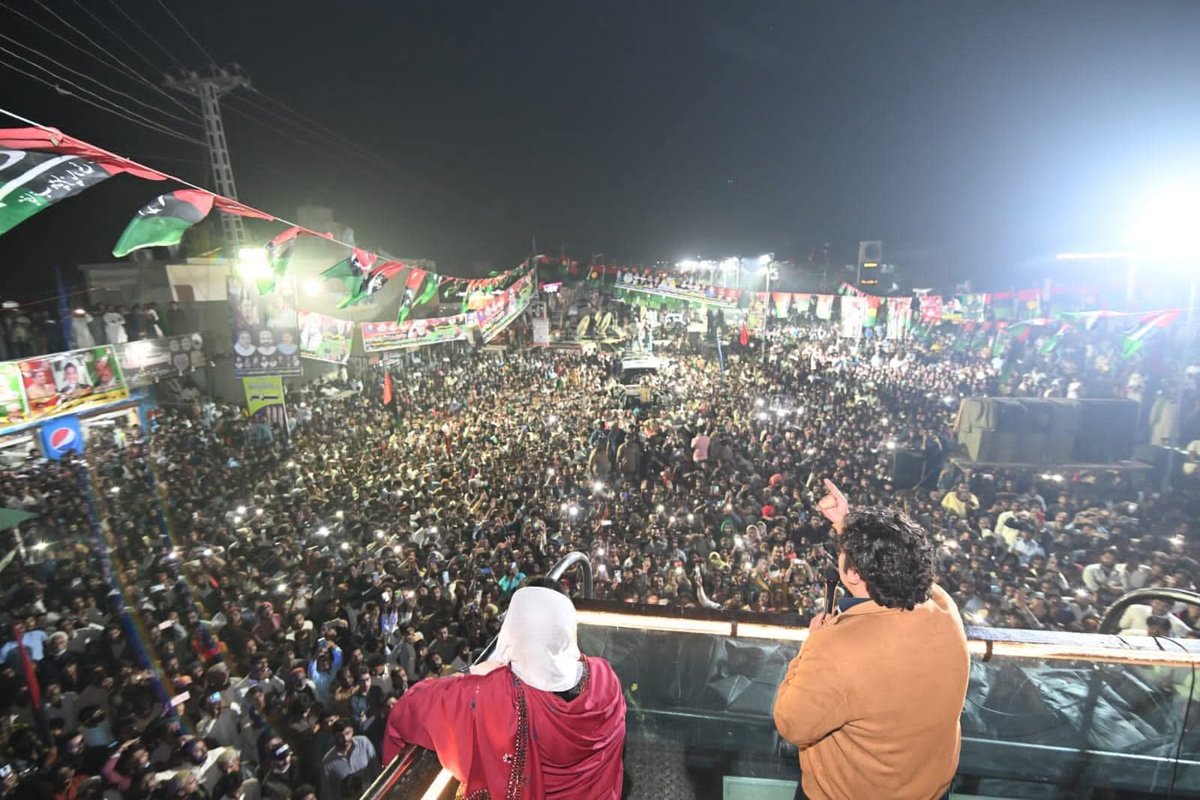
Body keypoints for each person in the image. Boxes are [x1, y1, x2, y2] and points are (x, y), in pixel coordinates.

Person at [774, 481, 969, 800]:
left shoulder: (837, 650)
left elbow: (791, 723)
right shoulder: (943, 608)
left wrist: (811, 645)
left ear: (853, 574)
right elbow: (895, 561)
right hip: (929, 789)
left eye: (842, 553)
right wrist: (844, 522)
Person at [382, 583, 626, 799]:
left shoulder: (494, 694)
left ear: (514, 625)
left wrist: (469, 674)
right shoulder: (605, 678)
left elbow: (413, 704)